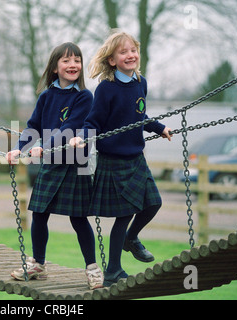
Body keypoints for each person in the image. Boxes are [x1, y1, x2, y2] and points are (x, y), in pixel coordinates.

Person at [70, 30, 172, 287]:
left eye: (133, 50)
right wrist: (82, 136)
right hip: (113, 160)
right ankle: (113, 270)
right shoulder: (106, 89)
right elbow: (92, 120)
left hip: (136, 157)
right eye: (123, 52)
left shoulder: (141, 83)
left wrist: (159, 128)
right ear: (112, 60)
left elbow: (139, 116)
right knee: (124, 214)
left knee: (153, 204)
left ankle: (131, 238)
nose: (130, 55)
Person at [7, 42, 103, 290]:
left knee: (78, 218)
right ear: (54, 67)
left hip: (75, 162)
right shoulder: (46, 96)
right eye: (66, 60)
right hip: (51, 164)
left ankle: (92, 269)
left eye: (77, 60)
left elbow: (70, 126)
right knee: (39, 213)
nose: (73, 65)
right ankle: (38, 264)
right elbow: (33, 126)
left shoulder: (84, 96)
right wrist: (20, 147)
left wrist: (45, 146)